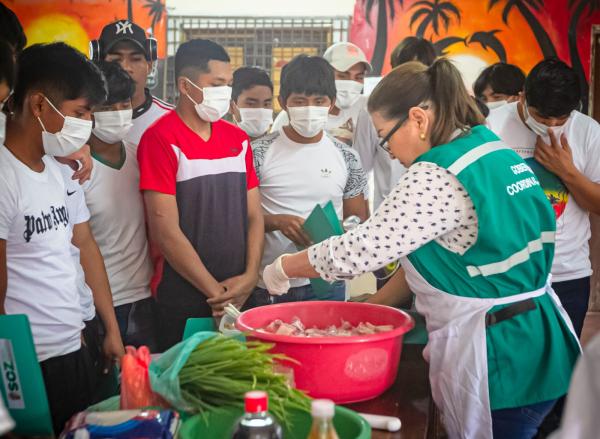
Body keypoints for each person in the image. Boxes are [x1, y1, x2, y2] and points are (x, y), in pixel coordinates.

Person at [263, 59, 580, 439]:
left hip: (499, 354)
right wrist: (372, 309)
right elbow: (437, 256)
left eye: (385, 136)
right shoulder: (489, 148)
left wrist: (284, 267)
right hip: (536, 334)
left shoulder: (438, 173)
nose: (388, 151)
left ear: (417, 119)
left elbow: (361, 250)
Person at [0, 42, 107, 433]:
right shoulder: (4, 176)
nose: (87, 125)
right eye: (80, 113)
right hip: (29, 362)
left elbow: (80, 249)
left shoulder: (60, 169)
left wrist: (101, 327)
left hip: (75, 345)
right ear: (40, 105)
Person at [138, 39, 264, 351]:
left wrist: (249, 277)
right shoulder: (160, 139)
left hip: (239, 294)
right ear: (185, 85)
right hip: (184, 298)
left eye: (229, 84)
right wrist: (217, 295)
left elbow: (254, 215)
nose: (226, 92)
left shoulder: (238, 139)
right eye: (217, 84)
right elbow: (165, 232)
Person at [487, 58, 600, 339]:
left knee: (564, 371)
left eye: (561, 119)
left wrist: (566, 171)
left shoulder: (588, 131)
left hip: (568, 272)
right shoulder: (493, 125)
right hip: (509, 272)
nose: (551, 126)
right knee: (514, 368)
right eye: (541, 117)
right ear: (523, 96)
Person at [252, 55, 368, 304]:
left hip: (328, 282)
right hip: (268, 283)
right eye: (300, 101)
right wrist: (276, 222)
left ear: (331, 103)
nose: (309, 109)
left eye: (319, 101)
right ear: (283, 103)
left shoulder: (347, 157)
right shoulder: (256, 153)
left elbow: (358, 220)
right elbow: (237, 219)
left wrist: (334, 228)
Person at [83, 60, 157, 351]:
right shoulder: (73, 169)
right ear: (88, 112)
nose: (116, 114)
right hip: (99, 308)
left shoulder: (141, 156)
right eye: (106, 108)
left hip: (146, 300)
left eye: (123, 104)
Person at [353, 36, 437, 212]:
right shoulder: (372, 110)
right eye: (384, 139)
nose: (391, 153)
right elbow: (359, 169)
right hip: (388, 212)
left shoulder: (440, 111)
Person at [271, 42, 371, 146]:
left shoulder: (366, 108)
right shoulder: (294, 115)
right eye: (342, 76)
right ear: (325, 75)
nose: (351, 84)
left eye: (359, 77)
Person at [95, 19, 173, 149]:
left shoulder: (171, 120)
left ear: (149, 66)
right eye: (116, 59)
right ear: (98, 64)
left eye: (135, 59)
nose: (126, 68)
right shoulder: (81, 120)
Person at [230, 66, 274, 141]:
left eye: (266, 104)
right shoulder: (216, 148)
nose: (260, 111)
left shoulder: (283, 149)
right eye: (251, 104)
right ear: (231, 106)